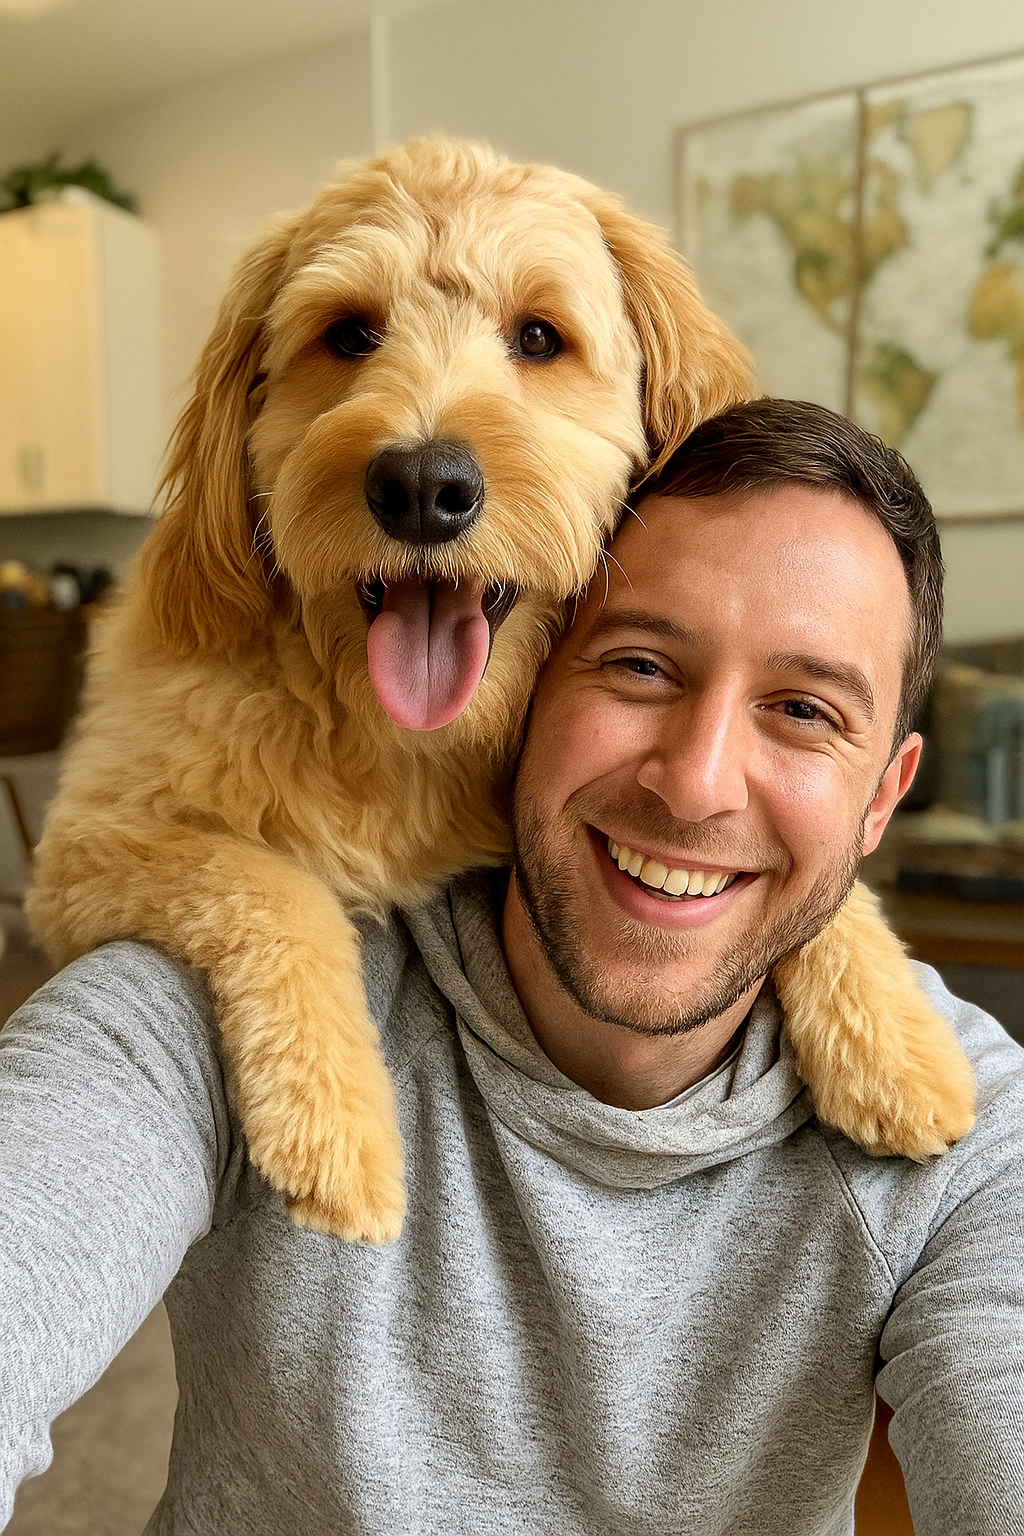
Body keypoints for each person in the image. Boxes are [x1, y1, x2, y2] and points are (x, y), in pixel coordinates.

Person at [1, 399, 1022, 1536]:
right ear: (524, 686)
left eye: (802, 711)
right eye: (640, 665)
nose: (696, 785)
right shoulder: (209, 1012)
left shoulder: (973, 1140)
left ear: (884, 797)